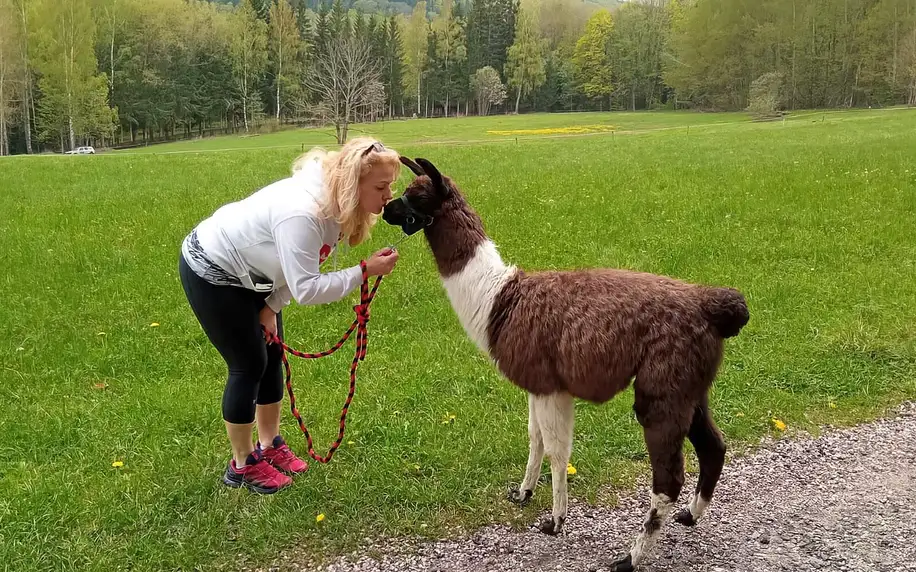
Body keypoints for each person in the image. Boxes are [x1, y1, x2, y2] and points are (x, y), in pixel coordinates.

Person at [178, 137, 401, 494]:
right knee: (249, 363)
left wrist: (271, 307)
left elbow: (296, 269)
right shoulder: (303, 213)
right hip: (213, 270)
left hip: (257, 276)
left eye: (391, 184)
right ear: (351, 183)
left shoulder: (333, 206)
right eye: (380, 186)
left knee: (272, 355)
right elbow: (307, 287)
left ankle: (269, 445)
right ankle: (242, 464)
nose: (389, 194)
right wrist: (365, 270)